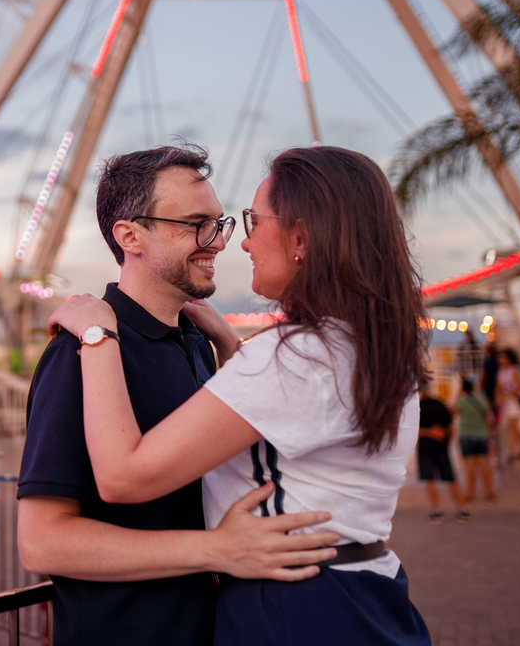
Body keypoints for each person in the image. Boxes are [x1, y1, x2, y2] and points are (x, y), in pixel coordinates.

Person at [50, 146, 430, 645]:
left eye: (251, 221)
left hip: (294, 603)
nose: (240, 244)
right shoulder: (369, 342)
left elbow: (122, 476)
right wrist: (231, 346)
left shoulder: (294, 356)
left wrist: (98, 336)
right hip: (367, 589)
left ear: (301, 237)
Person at [18, 144, 339, 646]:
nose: (219, 242)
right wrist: (213, 550)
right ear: (130, 235)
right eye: (196, 224)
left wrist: (228, 344)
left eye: (220, 223)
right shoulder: (83, 351)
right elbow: (41, 542)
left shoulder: (196, 342)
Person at [417, 388, 469, 524]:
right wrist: (447, 442)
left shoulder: (418, 407)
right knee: (451, 478)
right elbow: (451, 428)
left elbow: (413, 431)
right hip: (441, 447)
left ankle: (436, 511)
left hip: (425, 448)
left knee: (430, 479)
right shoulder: (441, 405)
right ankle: (461, 509)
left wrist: (428, 432)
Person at [454, 378, 495, 503]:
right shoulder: (482, 400)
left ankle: (470, 493)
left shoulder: (462, 401)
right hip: (481, 435)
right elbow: (489, 418)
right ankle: (490, 492)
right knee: (483, 463)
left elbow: (453, 410)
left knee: (470, 466)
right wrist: (489, 434)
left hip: (466, 435)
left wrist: (458, 394)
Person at [494, 348, 520, 461]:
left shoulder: (514, 370)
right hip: (507, 401)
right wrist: (498, 397)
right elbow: (498, 386)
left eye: (503, 357)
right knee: (514, 427)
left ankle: (511, 451)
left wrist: (508, 394)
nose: (500, 359)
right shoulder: (501, 371)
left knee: (512, 426)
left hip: (514, 401)